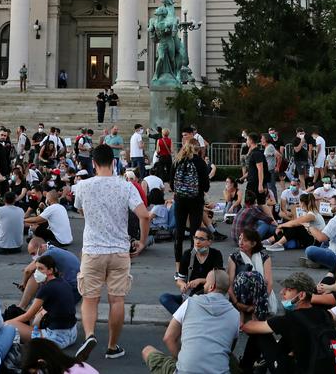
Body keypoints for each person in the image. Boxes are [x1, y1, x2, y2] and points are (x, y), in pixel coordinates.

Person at [71, 142, 151, 362]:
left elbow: (80, 209)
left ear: (93, 163)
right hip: (119, 250)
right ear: (114, 162)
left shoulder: (83, 186)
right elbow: (144, 215)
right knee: (117, 300)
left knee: (89, 298)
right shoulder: (125, 186)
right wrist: (142, 242)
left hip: (93, 250)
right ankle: (112, 346)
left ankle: (89, 335)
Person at [141, 269, 239, 374]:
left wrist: (182, 359)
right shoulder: (235, 314)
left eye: (206, 283)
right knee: (233, 362)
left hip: (185, 371)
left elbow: (168, 338)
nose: (204, 286)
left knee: (147, 351)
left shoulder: (189, 303)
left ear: (211, 287)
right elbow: (229, 348)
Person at [159, 225, 224, 314]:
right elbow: (180, 279)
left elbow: (220, 279)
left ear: (209, 242)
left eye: (201, 239)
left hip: (208, 295)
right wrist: (183, 285)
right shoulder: (188, 254)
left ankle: (182, 316)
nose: (197, 242)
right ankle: (184, 315)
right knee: (164, 297)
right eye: (196, 238)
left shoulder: (216, 254)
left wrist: (200, 280)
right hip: (190, 295)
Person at [171, 137, 209, 269]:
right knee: (195, 234)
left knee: (179, 234)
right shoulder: (200, 163)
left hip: (180, 200)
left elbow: (171, 184)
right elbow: (206, 186)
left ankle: (178, 268)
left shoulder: (177, 161)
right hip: (196, 201)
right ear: (198, 149)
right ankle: (192, 265)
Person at [0, 190, 26, 254]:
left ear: (4, 200)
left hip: (2, 247)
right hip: (18, 247)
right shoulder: (21, 210)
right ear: (15, 200)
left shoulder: (0, 210)